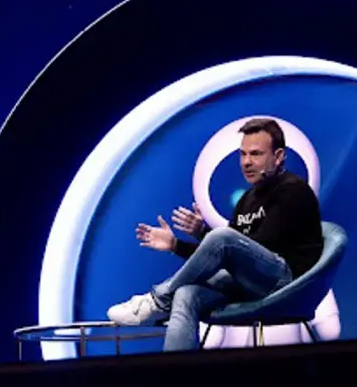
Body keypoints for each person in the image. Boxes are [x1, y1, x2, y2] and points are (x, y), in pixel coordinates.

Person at [107, 118, 324, 351]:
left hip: (285, 282)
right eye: (242, 155)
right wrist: (177, 244)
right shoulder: (247, 199)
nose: (246, 162)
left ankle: (159, 299)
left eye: (256, 154)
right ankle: (175, 375)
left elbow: (252, 247)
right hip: (248, 282)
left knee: (222, 238)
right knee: (186, 294)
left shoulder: (293, 190)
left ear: (278, 156)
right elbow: (232, 254)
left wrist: (210, 238)